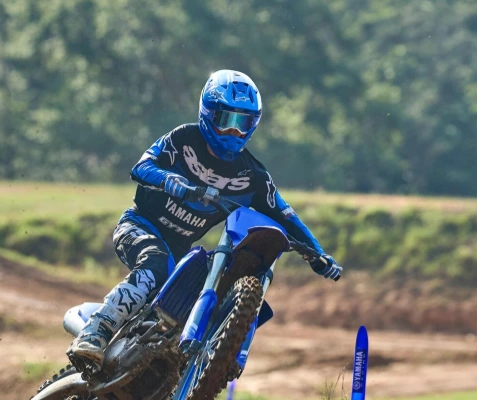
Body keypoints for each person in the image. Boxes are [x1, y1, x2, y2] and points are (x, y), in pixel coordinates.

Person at [68, 69, 342, 367]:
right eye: (228, 121)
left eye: (244, 123)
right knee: (155, 263)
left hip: (180, 251)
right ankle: (95, 332)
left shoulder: (253, 176)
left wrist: (317, 253)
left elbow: (287, 216)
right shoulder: (184, 139)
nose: (234, 132)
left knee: (193, 300)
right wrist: (173, 182)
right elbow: (142, 167)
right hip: (138, 225)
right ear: (208, 114)